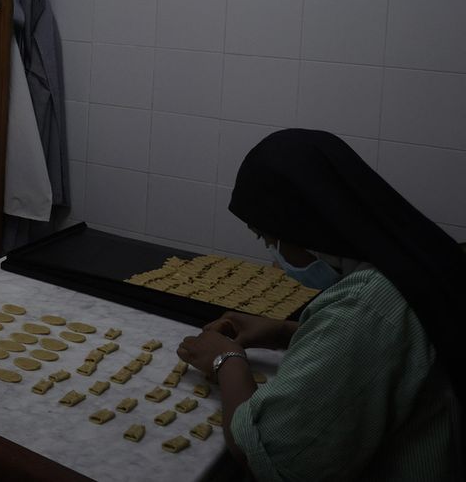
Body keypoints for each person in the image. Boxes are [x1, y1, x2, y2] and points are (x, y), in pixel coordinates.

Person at [177, 129, 464, 481]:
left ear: (302, 227)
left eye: (267, 237)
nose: (274, 258)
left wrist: (227, 361)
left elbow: (269, 454)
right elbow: (403, 346)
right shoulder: (419, 255)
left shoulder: (365, 308)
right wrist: (287, 331)